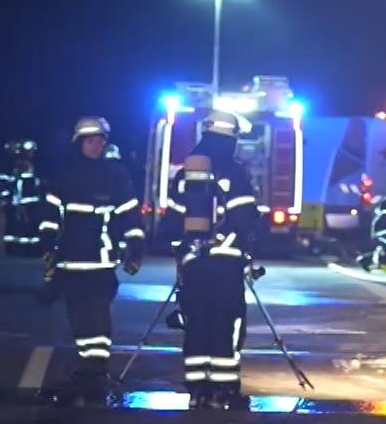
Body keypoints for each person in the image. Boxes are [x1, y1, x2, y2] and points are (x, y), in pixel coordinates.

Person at [36, 116, 144, 404]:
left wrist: (136, 248)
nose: (96, 145)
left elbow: (130, 216)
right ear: (79, 142)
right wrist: (46, 244)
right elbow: (50, 216)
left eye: (100, 140)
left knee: (98, 316)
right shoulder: (63, 177)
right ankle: (89, 368)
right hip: (70, 262)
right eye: (90, 140)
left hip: (101, 262)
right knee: (79, 319)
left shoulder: (116, 175)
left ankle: (96, 370)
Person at [165, 110, 260, 408]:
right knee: (226, 324)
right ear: (231, 139)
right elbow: (245, 219)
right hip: (226, 265)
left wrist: (183, 252)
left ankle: (197, 388)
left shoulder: (185, 173)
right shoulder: (234, 173)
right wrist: (245, 248)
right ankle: (225, 389)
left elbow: (171, 221)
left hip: (194, 265)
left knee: (196, 323)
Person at [0, 139, 42, 254]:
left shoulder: (18, 164)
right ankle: (26, 249)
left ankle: (16, 248)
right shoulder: (22, 165)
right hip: (24, 200)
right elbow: (24, 183)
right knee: (24, 225)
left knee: (18, 225)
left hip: (19, 200)